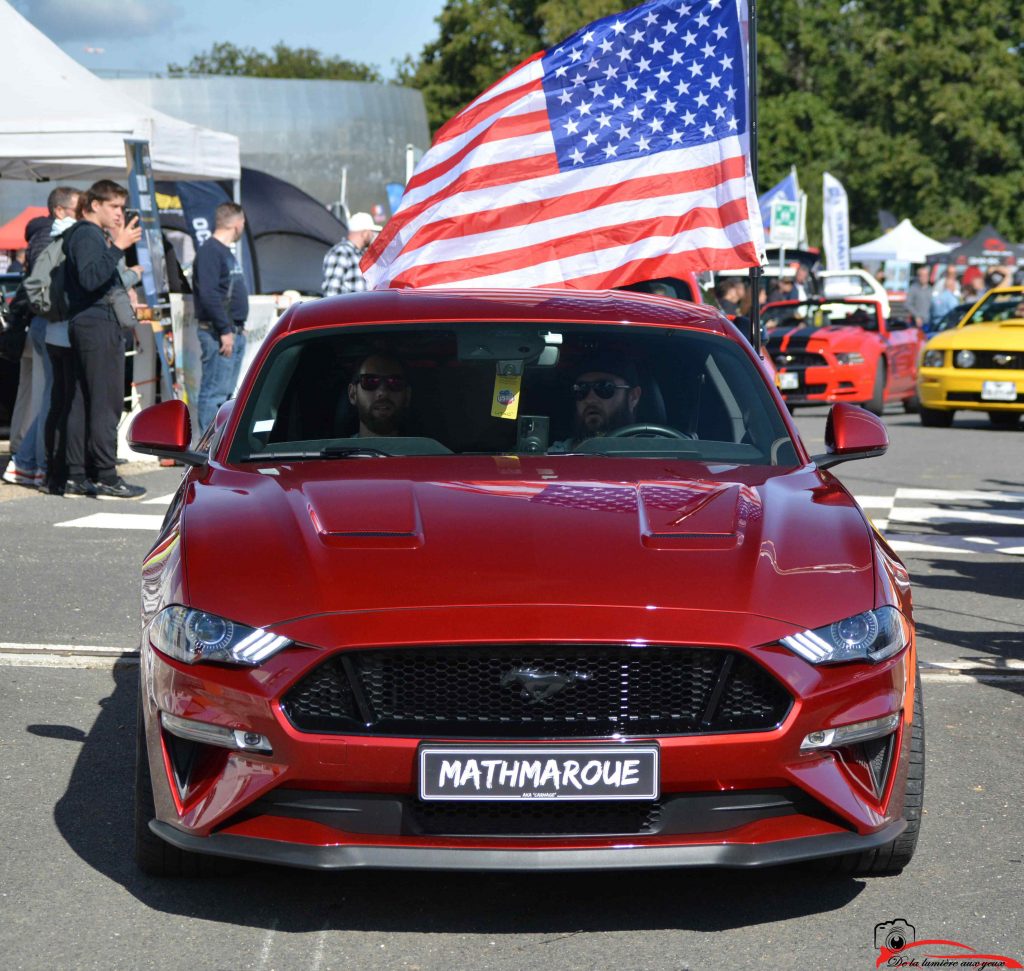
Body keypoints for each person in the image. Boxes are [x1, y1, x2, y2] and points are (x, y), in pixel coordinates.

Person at [62, 180, 145, 498]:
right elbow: (91, 277)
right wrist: (117, 247)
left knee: (85, 401)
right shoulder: (87, 234)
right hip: (96, 324)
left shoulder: (88, 235)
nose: (119, 213)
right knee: (104, 402)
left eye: (122, 207)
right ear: (94, 204)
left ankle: (78, 475)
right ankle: (106, 476)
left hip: (90, 323)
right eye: (114, 206)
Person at [3, 187, 79, 489]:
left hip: (38, 324)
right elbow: (40, 284)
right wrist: (52, 309)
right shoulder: (50, 237)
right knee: (46, 397)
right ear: (60, 211)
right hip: (46, 324)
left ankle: (25, 459)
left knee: (35, 396)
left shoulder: (40, 237)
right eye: (77, 209)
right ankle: (30, 463)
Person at [192, 202, 249, 432]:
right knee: (213, 393)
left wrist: (236, 327)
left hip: (231, 331)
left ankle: (218, 446)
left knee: (225, 395)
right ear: (237, 224)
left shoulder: (224, 252)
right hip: (218, 333)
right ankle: (207, 450)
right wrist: (225, 330)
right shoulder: (210, 251)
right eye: (243, 223)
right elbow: (208, 294)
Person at [549, 358, 642, 451]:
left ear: (633, 397)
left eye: (604, 388)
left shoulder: (653, 450)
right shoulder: (555, 457)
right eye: (581, 389)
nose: (590, 399)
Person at [347, 353, 411, 436]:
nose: (383, 393)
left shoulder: (427, 449)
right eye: (370, 381)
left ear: (407, 396)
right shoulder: (330, 449)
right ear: (352, 394)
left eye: (395, 383)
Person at [321, 212, 382, 296]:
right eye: (372, 232)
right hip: (348, 309)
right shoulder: (341, 252)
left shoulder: (359, 253)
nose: (373, 235)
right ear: (365, 233)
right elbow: (331, 292)